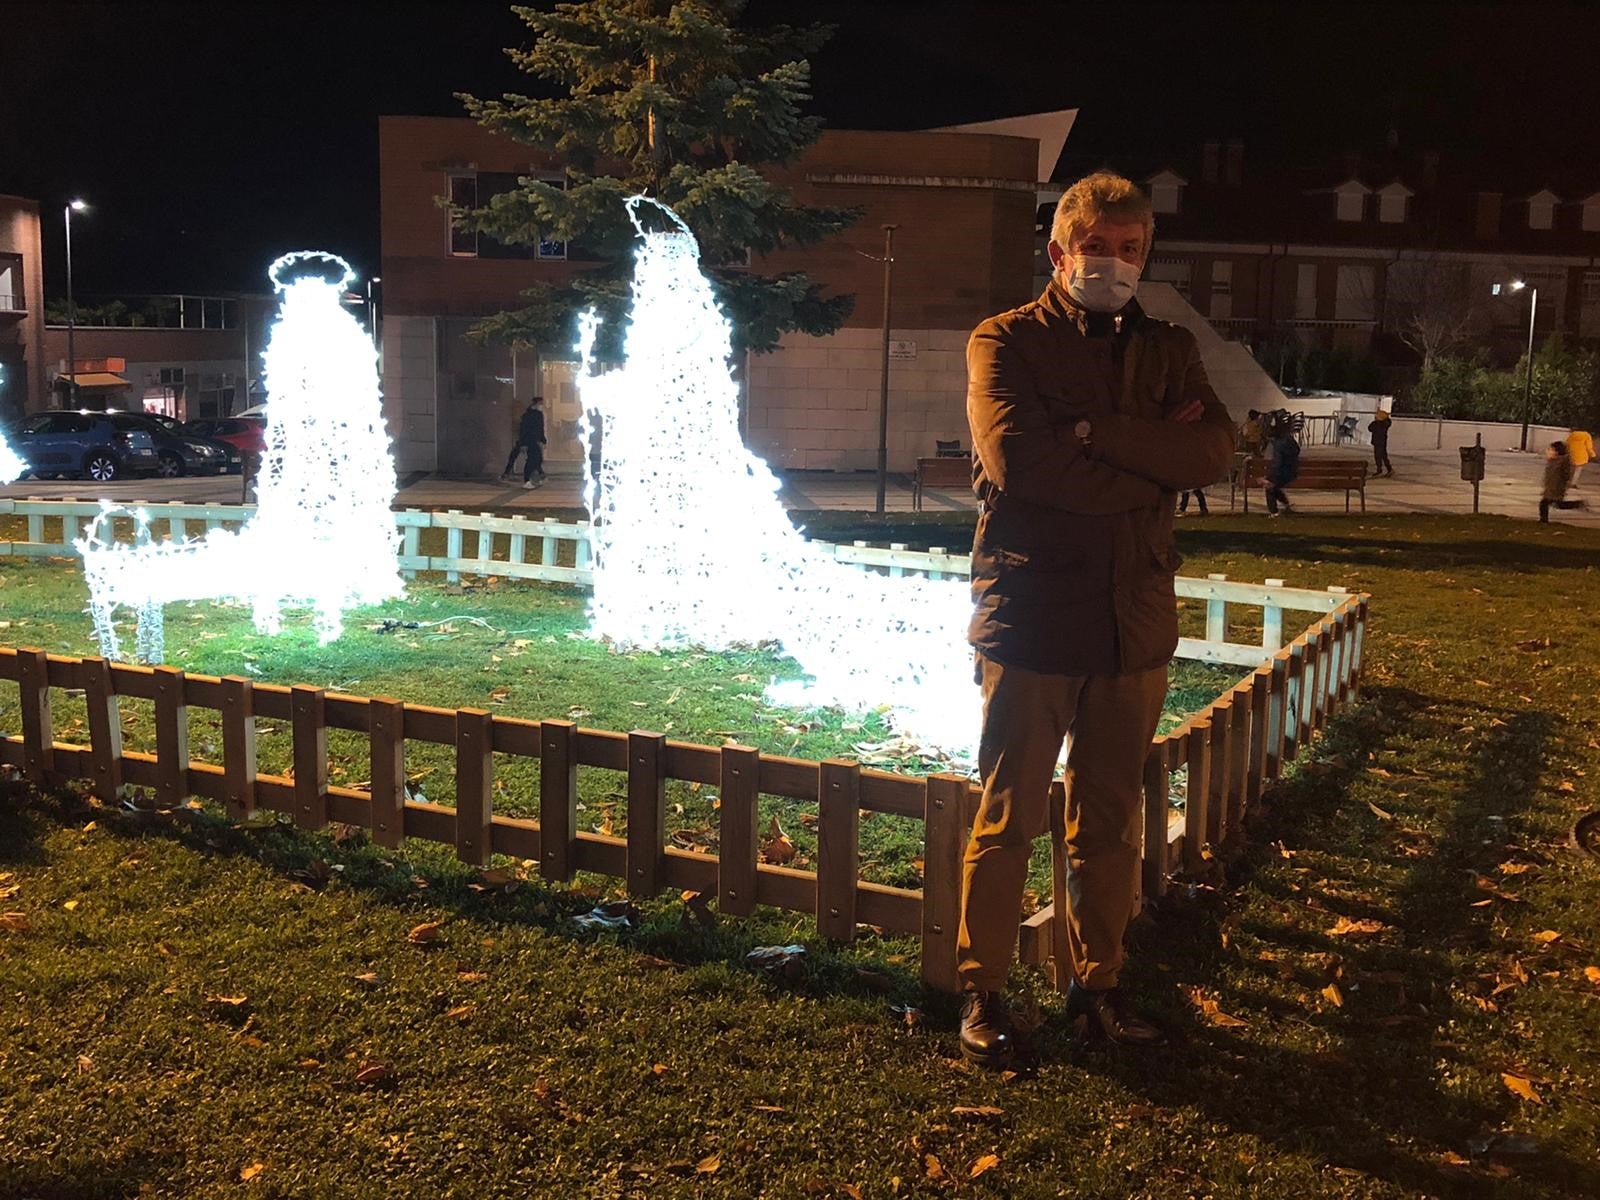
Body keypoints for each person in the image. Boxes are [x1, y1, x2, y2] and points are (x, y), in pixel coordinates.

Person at [960, 171, 1236, 1066]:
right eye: (1096, 247)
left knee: (1110, 825)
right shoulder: (1005, 340)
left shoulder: (1167, 346)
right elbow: (1021, 465)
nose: (1112, 263)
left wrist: (1094, 434)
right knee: (1008, 817)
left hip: (1133, 621)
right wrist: (1152, 463)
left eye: (1130, 249)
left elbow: (1213, 450)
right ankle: (984, 992)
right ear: (1059, 252)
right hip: (1033, 615)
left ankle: (1098, 985)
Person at [508, 396, 547, 489]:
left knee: (538, 459)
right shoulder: (527, 415)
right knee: (531, 460)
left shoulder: (539, 414)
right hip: (529, 440)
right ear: (536, 404)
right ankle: (527, 480)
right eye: (540, 404)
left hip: (535, 440)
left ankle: (537, 477)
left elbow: (540, 429)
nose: (542, 406)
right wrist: (524, 443)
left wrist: (543, 439)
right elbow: (524, 430)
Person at [1264, 424, 1300, 516]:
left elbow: (1277, 464)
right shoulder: (1289, 439)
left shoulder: (1278, 445)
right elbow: (1297, 450)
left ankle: (1274, 512)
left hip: (1283, 474)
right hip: (1293, 472)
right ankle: (1286, 504)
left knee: (1269, 486)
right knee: (1274, 486)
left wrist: (1269, 478)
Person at [1540, 440, 1574, 523]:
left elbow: (1566, 474)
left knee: (1545, 503)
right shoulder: (1552, 461)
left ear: (1557, 451)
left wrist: (1564, 484)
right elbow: (1549, 475)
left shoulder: (1563, 461)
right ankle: (1543, 520)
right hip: (1550, 487)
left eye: (1551, 450)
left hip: (1556, 487)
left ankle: (1543, 520)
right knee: (1557, 504)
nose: (1548, 451)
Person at [1368, 409, 1393, 477]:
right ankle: (1388, 469)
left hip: (1379, 442)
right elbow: (1370, 428)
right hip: (1381, 442)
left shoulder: (1380, 424)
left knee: (1379, 456)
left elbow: (1370, 428)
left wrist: (1377, 422)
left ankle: (1381, 470)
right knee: (1383, 456)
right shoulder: (1383, 423)